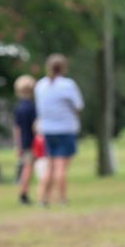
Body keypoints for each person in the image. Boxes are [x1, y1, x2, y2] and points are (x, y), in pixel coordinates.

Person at [34, 54, 84, 207]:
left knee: (49, 165)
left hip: (47, 130)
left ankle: (43, 198)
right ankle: (62, 199)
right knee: (61, 166)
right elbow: (79, 106)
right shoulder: (67, 85)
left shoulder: (40, 85)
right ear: (63, 68)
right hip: (65, 129)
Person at [12, 74, 37, 205]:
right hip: (32, 142)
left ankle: (24, 192)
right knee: (28, 168)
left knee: (26, 167)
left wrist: (17, 145)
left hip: (23, 141)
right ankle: (23, 194)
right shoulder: (33, 107)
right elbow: (35, 126)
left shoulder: (18, 108)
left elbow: (17, 129)